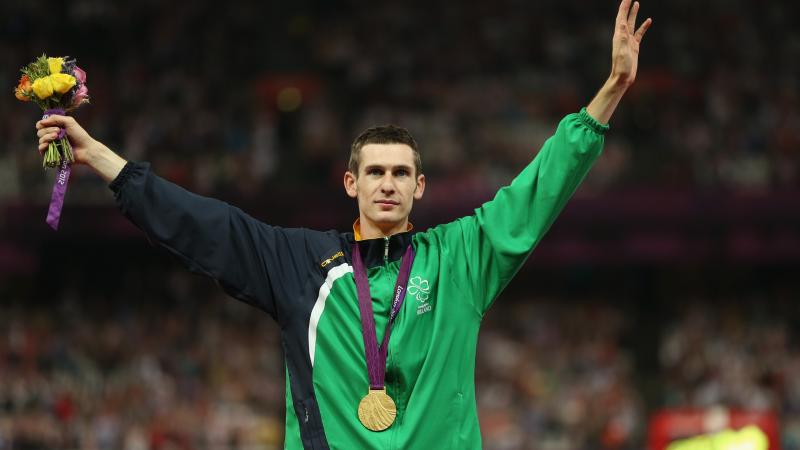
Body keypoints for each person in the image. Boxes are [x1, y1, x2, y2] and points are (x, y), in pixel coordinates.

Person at [35, 1, 651, 448]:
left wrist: (613, 90)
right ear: (351, 184)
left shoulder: (462, 256)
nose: (388, 183)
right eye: (375, 171)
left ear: (420, 186)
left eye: (401, 172)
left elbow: (538, 190)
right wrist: (101, 160)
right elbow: (205, 227)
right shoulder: (300, 265)